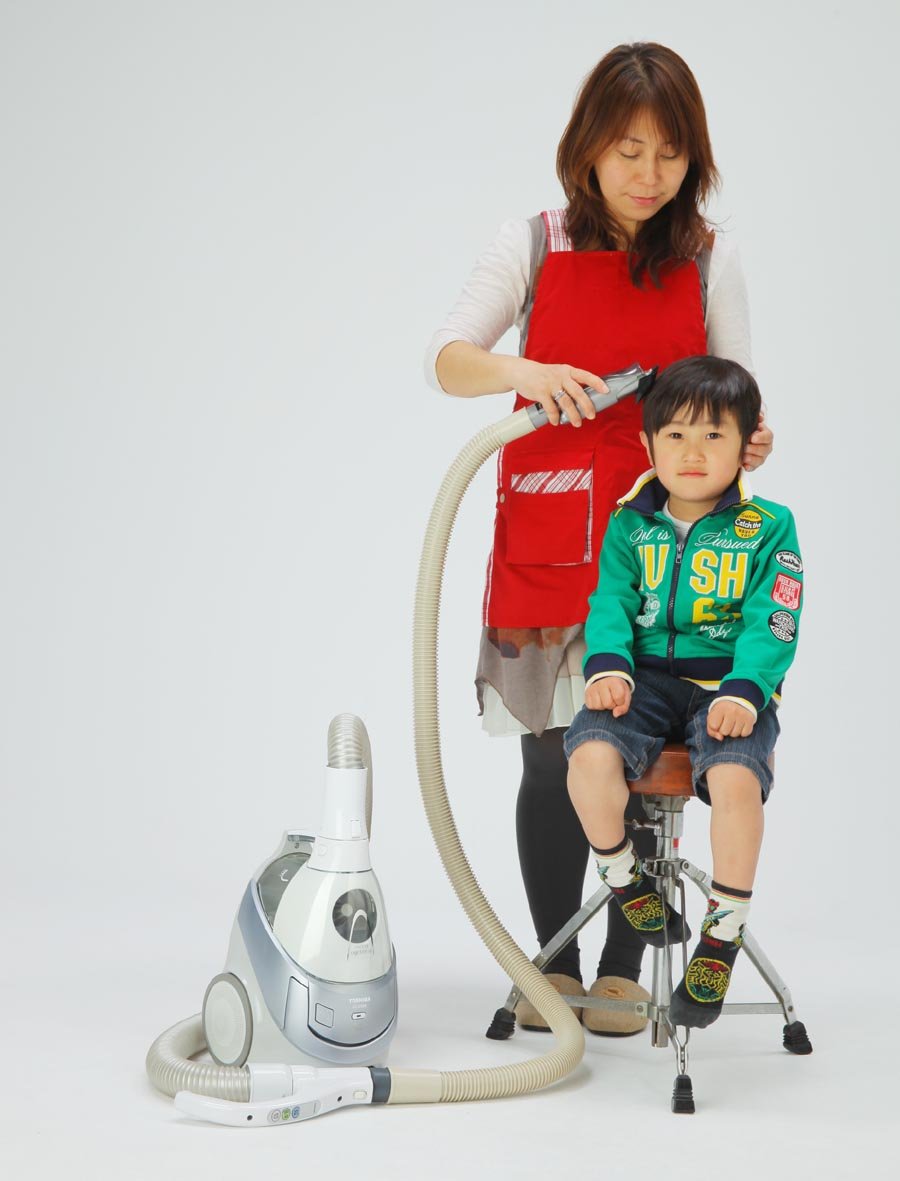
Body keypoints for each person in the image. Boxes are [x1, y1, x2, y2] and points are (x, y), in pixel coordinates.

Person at [425, 42, 774, 1034]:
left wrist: (751, 436)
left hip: (668, 561)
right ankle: (554, 966)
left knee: (635, 761)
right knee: (551, 764)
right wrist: (524, 375)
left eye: (670, 153)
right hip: (547, 545)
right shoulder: (533, 243)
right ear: (588, 147)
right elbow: (448, 358)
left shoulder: (709, 258)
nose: (649, 174)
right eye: (629, 151)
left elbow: (741, 401)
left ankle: (624, 970)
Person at [565, 355, 802, 1026]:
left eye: (714, 435)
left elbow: (775, 615)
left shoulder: (770, 525)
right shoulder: (629, 522)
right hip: (643, 682)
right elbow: (610, 602)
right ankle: (624, 878)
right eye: (675, 435)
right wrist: (608, 668)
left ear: (747, 443)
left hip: (727, 686)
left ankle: (721, 936)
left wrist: (746, 690)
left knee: (734, 779)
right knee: (587, 755)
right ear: (649, 445)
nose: (693, 453)